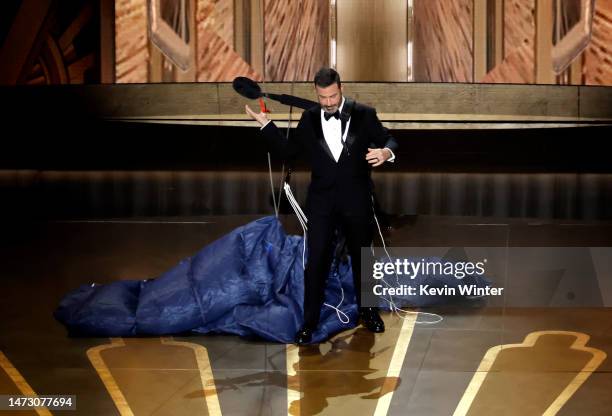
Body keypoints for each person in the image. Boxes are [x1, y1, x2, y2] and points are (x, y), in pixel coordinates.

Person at [245, 67, 398, 344]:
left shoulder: (364, 114)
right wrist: (266, 126)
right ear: (316, 93)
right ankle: (309, 322)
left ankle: (368, 311)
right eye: (322, 97)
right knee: (315, 263)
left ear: (341, 88)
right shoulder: (309, 119)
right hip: (322, 204)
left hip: (356, 200)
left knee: (363, 258)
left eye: (332, 96)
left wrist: (386, 152)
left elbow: (389, 139)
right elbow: (290, 153)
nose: (328, 102)